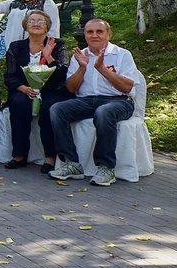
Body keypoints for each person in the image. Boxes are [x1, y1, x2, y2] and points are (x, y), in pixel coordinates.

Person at [49, 18, 138, 187]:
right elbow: (71, 88)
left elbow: (126, 88)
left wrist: (102, 69)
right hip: (87, 101)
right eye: (90, 32)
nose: (94, 35)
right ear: (85, 35)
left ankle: (106, 168)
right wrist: (82, 68)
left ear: (108, 34)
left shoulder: (122, 54)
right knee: (57, 109)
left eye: (99, 31)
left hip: (118, 101)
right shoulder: (79, 56)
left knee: (104, 112)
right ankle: (72, 164)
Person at [4, 10, 69, 174]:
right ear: (25, 26)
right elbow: (9, 76)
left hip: (51, 90)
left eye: (40, 21)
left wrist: (49, 57)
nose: (35, 23)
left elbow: (64, 74)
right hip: (24, 90)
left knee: (49, 107)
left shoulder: (58, 45)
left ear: (47, 27)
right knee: (18, 104)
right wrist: (23, 88)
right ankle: (19, 155)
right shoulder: (16, 47)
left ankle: (50, 157)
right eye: (31, 21)